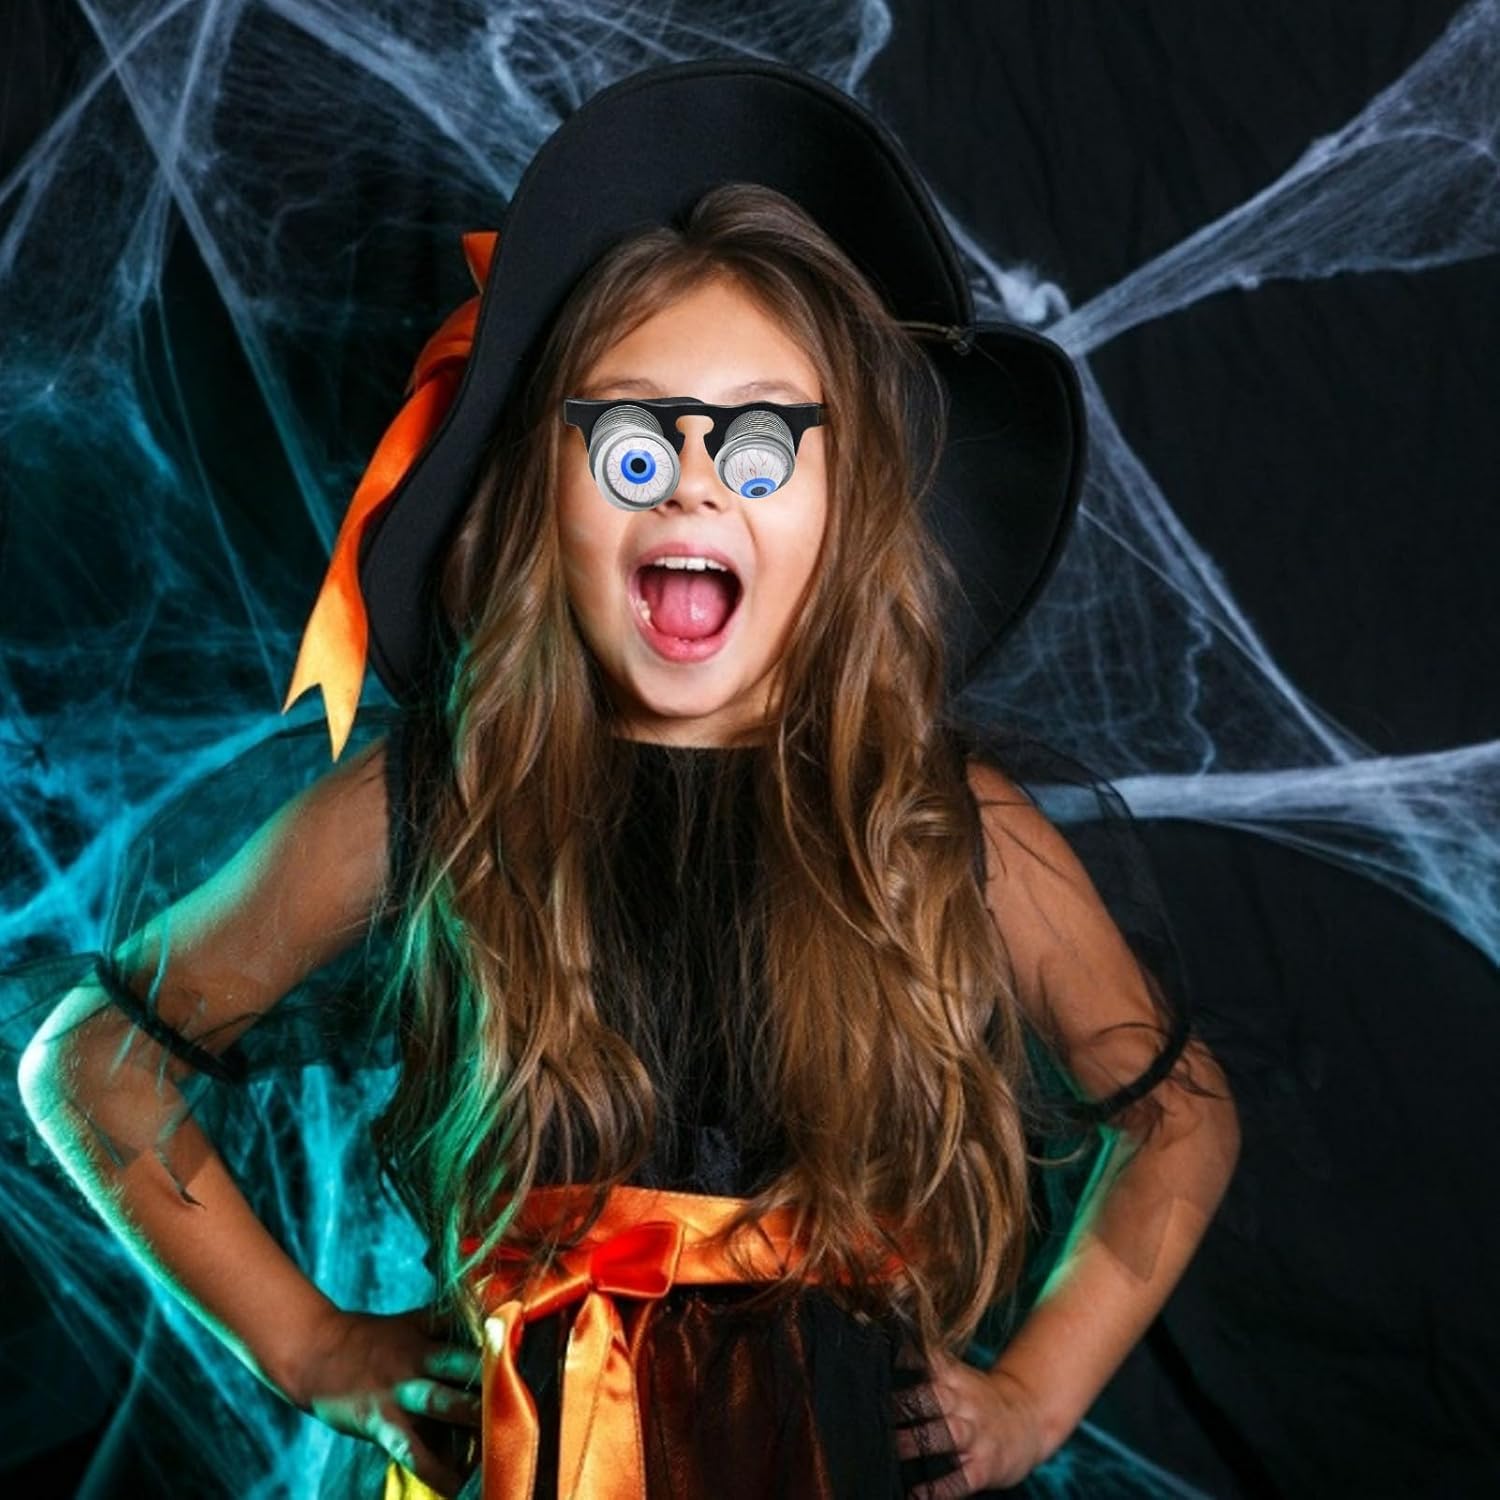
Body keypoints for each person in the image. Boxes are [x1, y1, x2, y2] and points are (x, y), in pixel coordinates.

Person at [16, 60, 1240, 1499]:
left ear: (848, 510)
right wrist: (314, 1347)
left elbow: (1180, 1120)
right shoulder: (437, 807)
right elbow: (90, 1068)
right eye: (637, 442)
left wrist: (1030, 1399)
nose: (698, 483)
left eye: (764, 444)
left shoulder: (939, 827)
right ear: (542, 488)